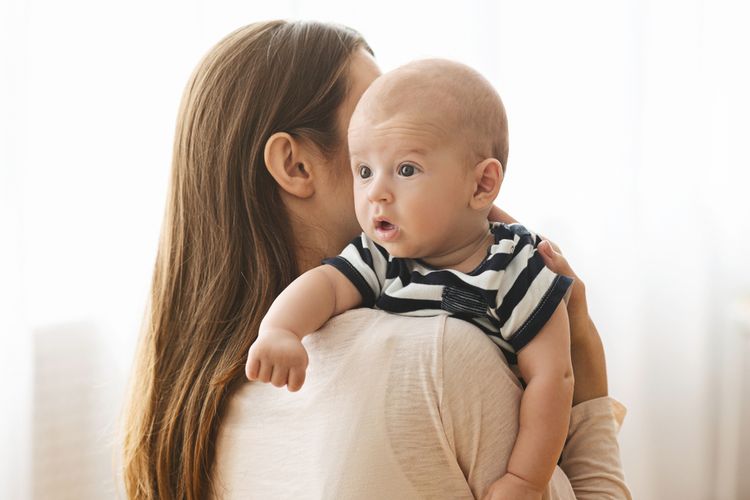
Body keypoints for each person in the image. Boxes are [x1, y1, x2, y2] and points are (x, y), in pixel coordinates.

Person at [121, 20, 631, 500]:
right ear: (295, 165)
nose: (395, 123)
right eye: (367, 134)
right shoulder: (440, 354)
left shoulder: (190, 400)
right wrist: (584, 355)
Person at [246, 58, 574, 499]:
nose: (376, 192)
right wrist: (281, 330)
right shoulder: (384, 257)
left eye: (405, 170)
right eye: (363, 171)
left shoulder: (513, 264)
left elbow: (553, 379)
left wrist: (525, 479)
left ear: (482, 185)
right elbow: (325, 285)